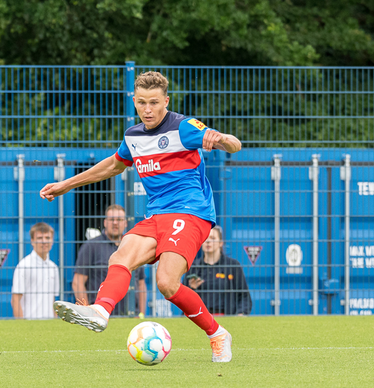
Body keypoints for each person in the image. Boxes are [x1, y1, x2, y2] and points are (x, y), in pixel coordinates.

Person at [41, 71, 242, 362]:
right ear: (134, 101)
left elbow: (234, 145)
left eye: (154, 103)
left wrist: (221, 137)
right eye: (142, 103)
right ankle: (100, 311)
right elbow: (112, 166)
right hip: (156, 215)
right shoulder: (133, 137)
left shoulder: (184, 127)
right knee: (120, 257)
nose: (148, 109)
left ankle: (218, 334)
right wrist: (65, 185)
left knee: (166, 283)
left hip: (190, 212)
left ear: (166, 102)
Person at [73, 204, 147, 317]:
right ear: (105, 222)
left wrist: (142, 313)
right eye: (111, 219)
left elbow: (141, 283)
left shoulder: (132, 247)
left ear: (125, 223)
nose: (115, 223)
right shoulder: (90, 246)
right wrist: (88, 313)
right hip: (100, 316)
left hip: (132, 316)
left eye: (119, 220)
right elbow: (78, 282)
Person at [187, 226, 252, 316]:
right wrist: (191, 289)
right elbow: (183, 297)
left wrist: (240, 314)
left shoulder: (232, 265)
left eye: (213, 238)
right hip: (201, 319)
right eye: (205, 238)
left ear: (221, 243)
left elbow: (245, 296)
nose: (208, 241)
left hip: (227, 318)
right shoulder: (194, 266)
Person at [11, 222, 60, 319]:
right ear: (32, 241)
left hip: (50, 325)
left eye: (47, 238)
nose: (44, 242)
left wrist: (55, 322)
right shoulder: (24, 265)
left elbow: (53, 300)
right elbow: (15, 300)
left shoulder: (53, 267)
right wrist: (22, 327)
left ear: (52, 241)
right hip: (30, 324)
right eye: (39, 238)